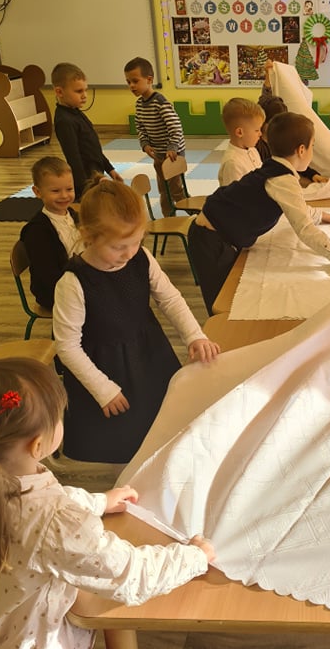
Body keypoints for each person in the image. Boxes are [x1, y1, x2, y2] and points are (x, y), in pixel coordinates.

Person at [0, 357, 214, 649]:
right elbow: (128, 574)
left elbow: (43, 503)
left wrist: (98, 501)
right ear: (38, 445)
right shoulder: (54, 521)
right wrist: (193, 557)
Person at [53, 176, 220, 464]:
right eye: (119, 247)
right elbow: (67, 346)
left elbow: (170, 299)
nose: (129, 253)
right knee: (123, 445)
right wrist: (103, 389)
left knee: (160, 427)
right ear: (88, 235)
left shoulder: (141, 258)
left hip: (149, 356)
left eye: (136, 242)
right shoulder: (73, 282)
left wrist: (194, 335)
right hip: (106, 370)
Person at [188, 111, 330, 315]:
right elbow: (304, 228)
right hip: (210, 240)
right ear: (302, 150)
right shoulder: (282, 179)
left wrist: (322, 216)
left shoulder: (276, 168)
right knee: (225, 307)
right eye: (313, 146)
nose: (312, 152)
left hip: (217, 235)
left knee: (233, 300)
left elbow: (296, 206)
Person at [124, 56, 187, 217]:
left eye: (135, 81)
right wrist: (145, 144)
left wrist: (172, 147)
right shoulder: (139, 104)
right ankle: (169, 217)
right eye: (128, 82)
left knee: (175, 190)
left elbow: (176, 127)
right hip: (158, 154)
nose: (131, 86)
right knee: (163, 189)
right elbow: (140, 126)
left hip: (173, 155)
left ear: (149, 79)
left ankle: (196, 213)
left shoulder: (160, 102)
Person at [52, 62, 123, 197]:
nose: (84, 95)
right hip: (86, 181)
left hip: (96, 175)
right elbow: (74, 158)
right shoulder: (64, 121)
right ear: (59, 92)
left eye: (85, 90)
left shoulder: (76, 112)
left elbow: (94, 149)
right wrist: (86, 187)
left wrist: (110, 169)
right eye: (79, 91)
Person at [20, 156, 80, 311]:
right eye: (55, 191)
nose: (64, 196)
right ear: (38, 192)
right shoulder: (37, 231)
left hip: (77, 279)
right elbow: (48, 276)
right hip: (55, 292)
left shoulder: (73, 216)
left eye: (69, 189)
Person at [218, 97, 264, 186]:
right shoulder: (232, 163)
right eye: (257, 130)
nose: (260, 134)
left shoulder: (252, 150)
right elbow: (233, 193)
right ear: (240, 132)